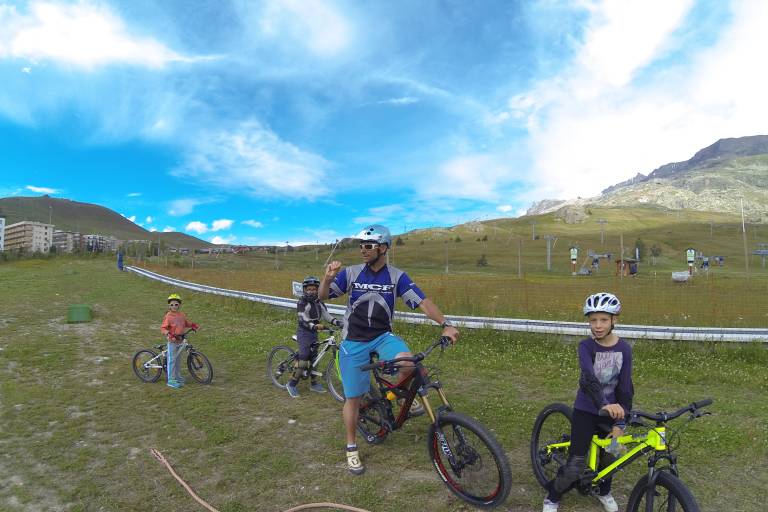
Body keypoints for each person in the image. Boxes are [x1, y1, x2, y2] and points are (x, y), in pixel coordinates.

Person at [319, 224, 459, 476]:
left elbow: (424, 303)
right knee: (353, 398)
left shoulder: (396, 276)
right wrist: (327, 278)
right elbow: (323, 296)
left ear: (383, 248)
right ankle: (351, 446)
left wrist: (446, 324)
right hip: (353, 340)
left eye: (369, 246)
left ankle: (396, 396)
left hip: (383, 337)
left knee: (410, 363)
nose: (363, 250)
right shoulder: (351, 273)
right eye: (361, 246)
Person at [543, 292, 633, 512]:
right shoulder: (586, 347)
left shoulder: (624, 349)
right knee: (575, 464)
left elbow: (625, 386)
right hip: (586, 409)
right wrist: (603, 403)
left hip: (611, 412)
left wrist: (620, 422)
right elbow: (589, 379)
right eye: (593, 320)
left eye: (603, 320)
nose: (598, 326)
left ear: (614, 320)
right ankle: (552, 497)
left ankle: (604, 491)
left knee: (614, 454)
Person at [287, 276, 343, 398]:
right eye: (309, 289)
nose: (311, 291)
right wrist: (314, 326)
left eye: (314, 289)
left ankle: (313, 383)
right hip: (304, 332)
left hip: (314, 333)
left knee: (315, 358)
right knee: (303, 359)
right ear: (304, 290)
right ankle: (291, 384)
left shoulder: (319, 302)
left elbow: (326, 315)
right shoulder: (302, 303)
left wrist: (337, 322)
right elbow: (303, 319)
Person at [160, 293, 199, 389]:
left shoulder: (181, 315)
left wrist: (192, 325)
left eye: (176, 304)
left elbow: (185, 323)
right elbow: (163, 328)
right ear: (169, 306)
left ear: (179, 305)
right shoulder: (168, 316)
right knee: (172, 360)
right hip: (172, 341)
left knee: (178, 360)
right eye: (172, 305)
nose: (174, 306)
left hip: (180, 340)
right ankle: (171, 380)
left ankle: (177, 376)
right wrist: (169, 334)